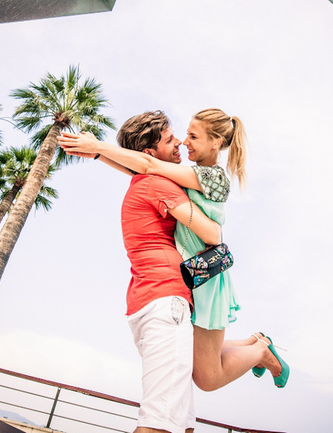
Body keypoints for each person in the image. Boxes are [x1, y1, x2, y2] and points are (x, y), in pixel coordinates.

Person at [59, 109, 289, 394]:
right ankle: (253, 343)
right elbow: (140, 166)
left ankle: (261, 351)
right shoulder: (185, 174)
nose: (184, 141)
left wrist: (98, 147)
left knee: (207, 377)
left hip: (205, 277)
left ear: (216, 142)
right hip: (191, 274)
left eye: (193, 136)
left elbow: (148, 166)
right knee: (190, 351)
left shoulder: (212, 177)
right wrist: (98, 155)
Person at [71, 111, 221, 433]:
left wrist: (98, 153)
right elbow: (212, 235)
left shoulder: (143, 181)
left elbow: (135, 165)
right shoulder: (156, 183)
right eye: (170, 139)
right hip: (166, 300)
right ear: (150, 154)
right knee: (158, 423)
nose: (180, 141)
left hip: (147, 302)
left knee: (182, 425)